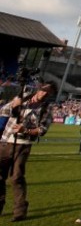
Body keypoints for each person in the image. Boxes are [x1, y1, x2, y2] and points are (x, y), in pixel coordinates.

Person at [0, 81, 57, 222]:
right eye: (43, 90)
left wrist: (25, 130)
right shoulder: (23, 98)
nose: (43, 94)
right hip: (6, 141)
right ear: (39, 89)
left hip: (23, 144)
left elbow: (42, 130)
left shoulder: (47, 108)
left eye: (47, 93)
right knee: (0, 177)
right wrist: (14, 104)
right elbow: (3, 111)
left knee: (16, 178)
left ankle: (20, 210)